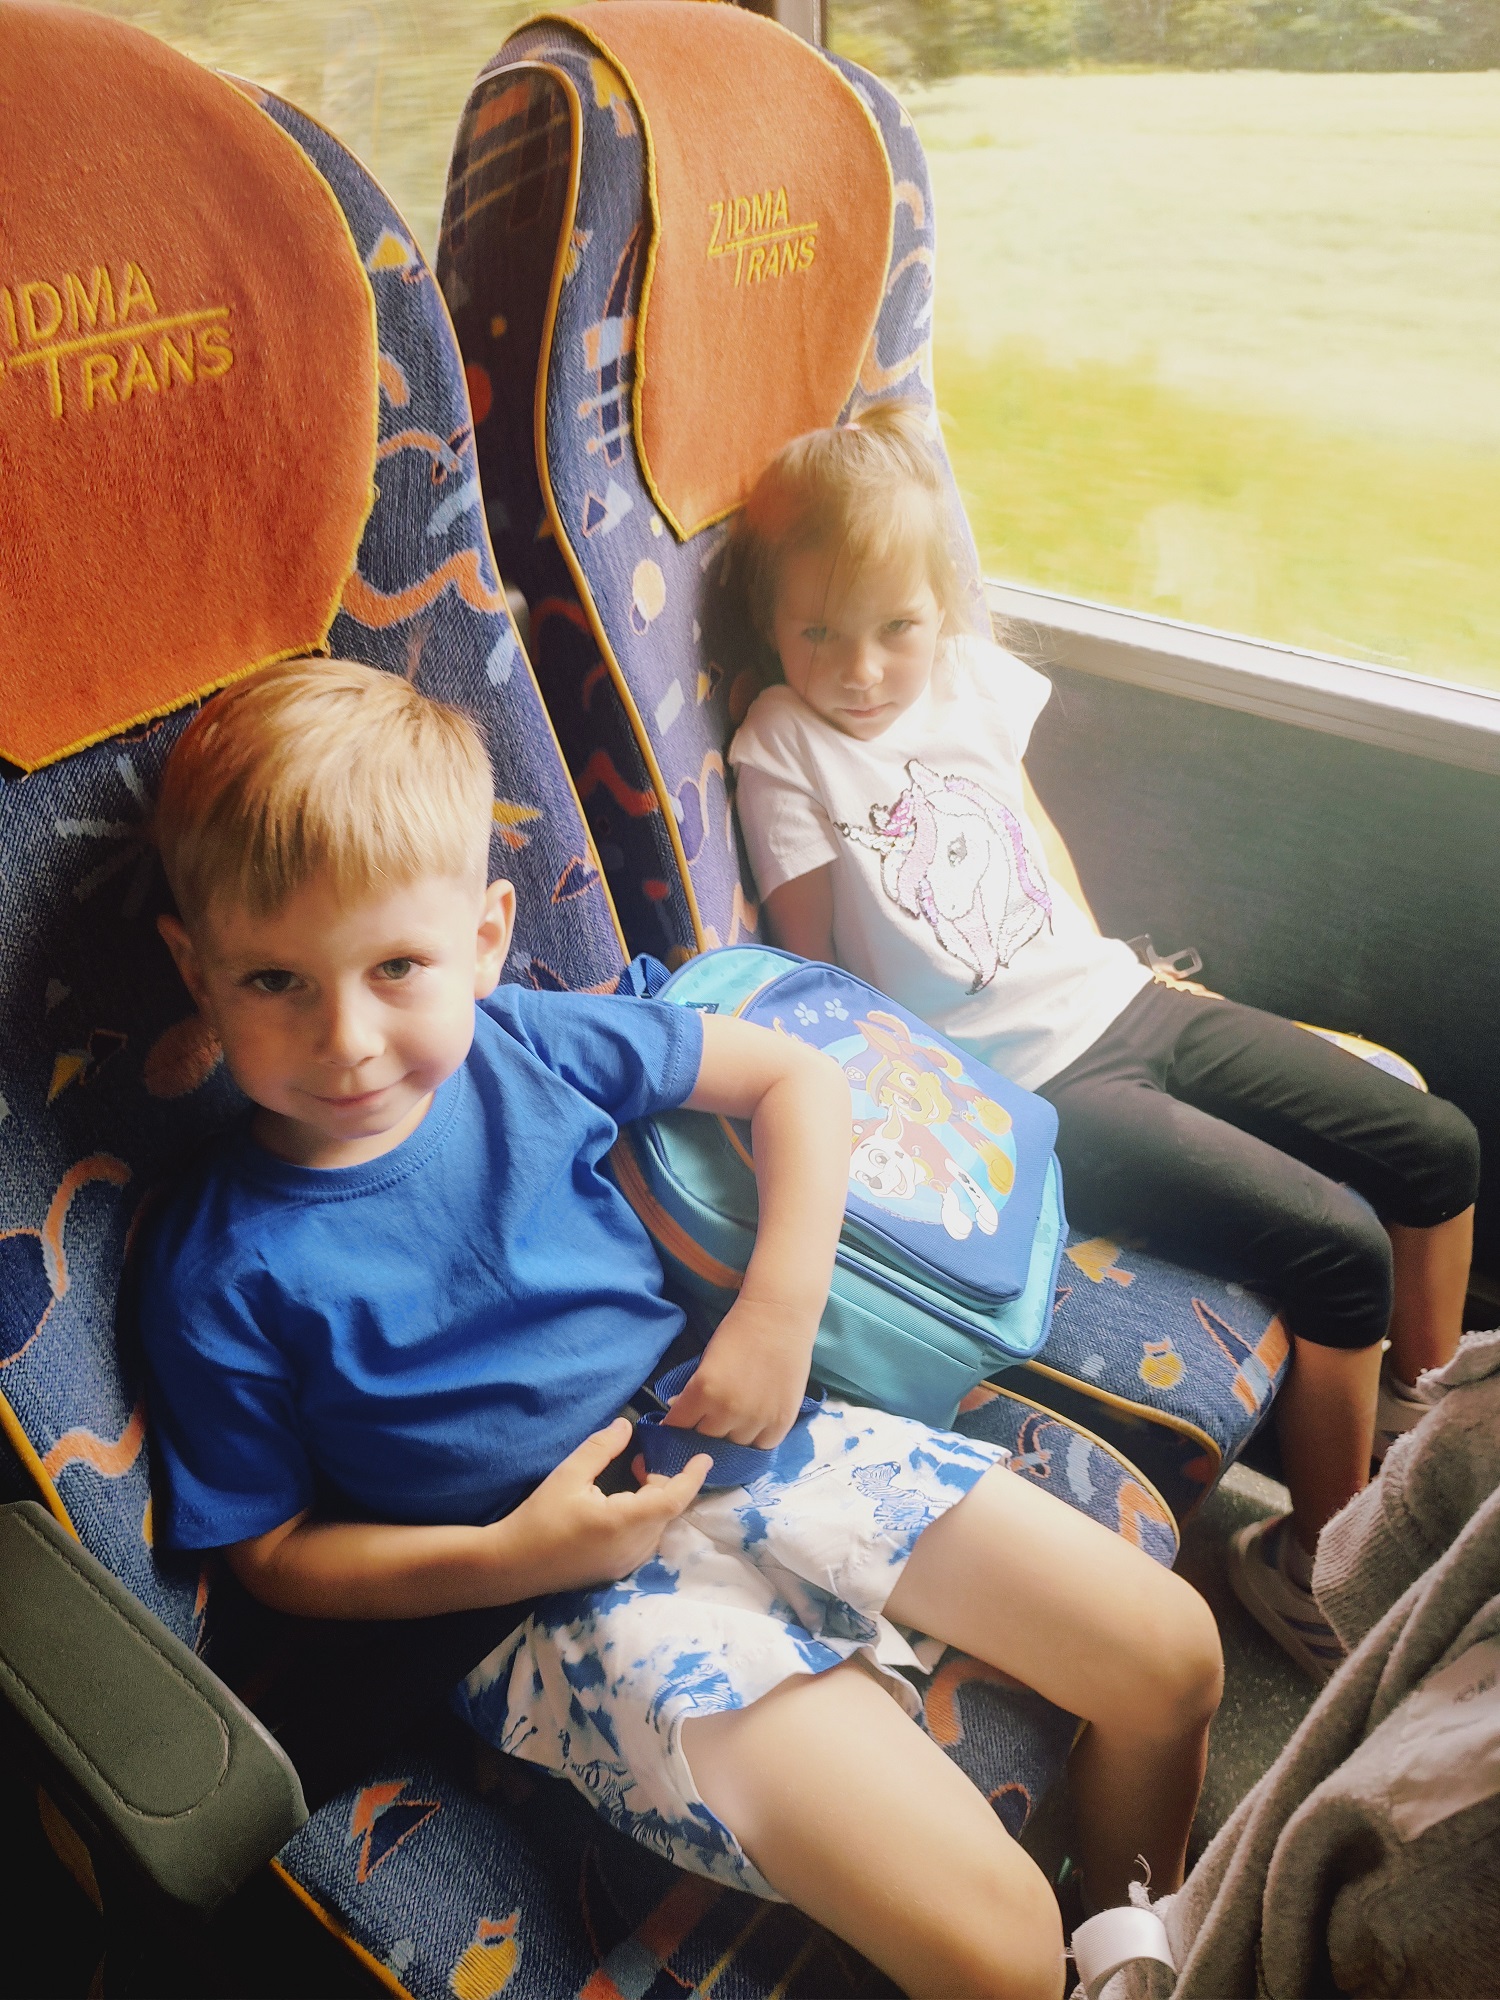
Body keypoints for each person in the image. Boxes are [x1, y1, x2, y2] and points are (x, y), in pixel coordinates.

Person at [138, 659, 1222, 2000]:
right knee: (998, 1945)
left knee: (1173, 1658)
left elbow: (797, 1081)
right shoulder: (215, 1267)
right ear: (195, 970)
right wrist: (504, 1554)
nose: (348, 1038)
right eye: (274, 981)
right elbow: (274, 1557)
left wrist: (776, 1313)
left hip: (736, 1427)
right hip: (542, 1604)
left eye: (398, 966)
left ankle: (1135, 1933)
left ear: (485, 936)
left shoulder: (531, 1044)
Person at [724, 400, 1481, 1683]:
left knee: (1437, 1146)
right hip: (1033, 1084)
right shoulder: (784, 746)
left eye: (897, 626)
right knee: (1339, 1247)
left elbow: (1032, 832)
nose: (861, 668)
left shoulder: (964, 677)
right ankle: (1318, 1564)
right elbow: (825, 974)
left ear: (940, 610)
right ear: (773, 627)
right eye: (818, 634)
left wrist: (1117, 956)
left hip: (1122, 998)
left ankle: (1417, 1422)